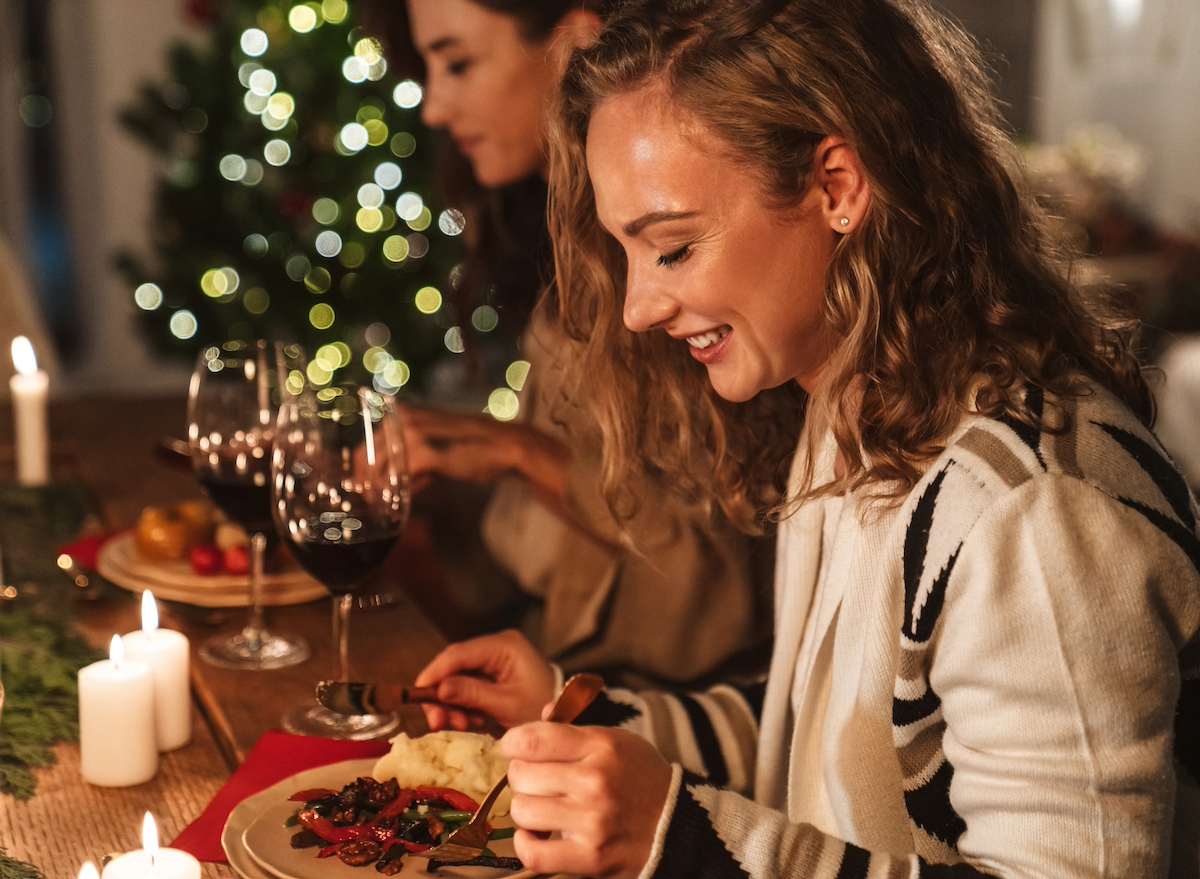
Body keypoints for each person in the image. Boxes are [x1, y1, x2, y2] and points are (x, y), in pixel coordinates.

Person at [410, 0, 1200, 876]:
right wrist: (580, 714)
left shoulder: (1031, 515)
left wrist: (682, 843)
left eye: (671, 247)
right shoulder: (852, 407)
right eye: (624, 252)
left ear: (836, 188)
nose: (635, 309)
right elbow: (818, 746)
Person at [367, 0, 776, 685]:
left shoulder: (680, 270)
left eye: (459, 62)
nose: (434, 108)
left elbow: (712, 583)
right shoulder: (560, 245)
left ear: (577, 41)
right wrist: (435, 505)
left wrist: (516, 452)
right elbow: (554, 559)